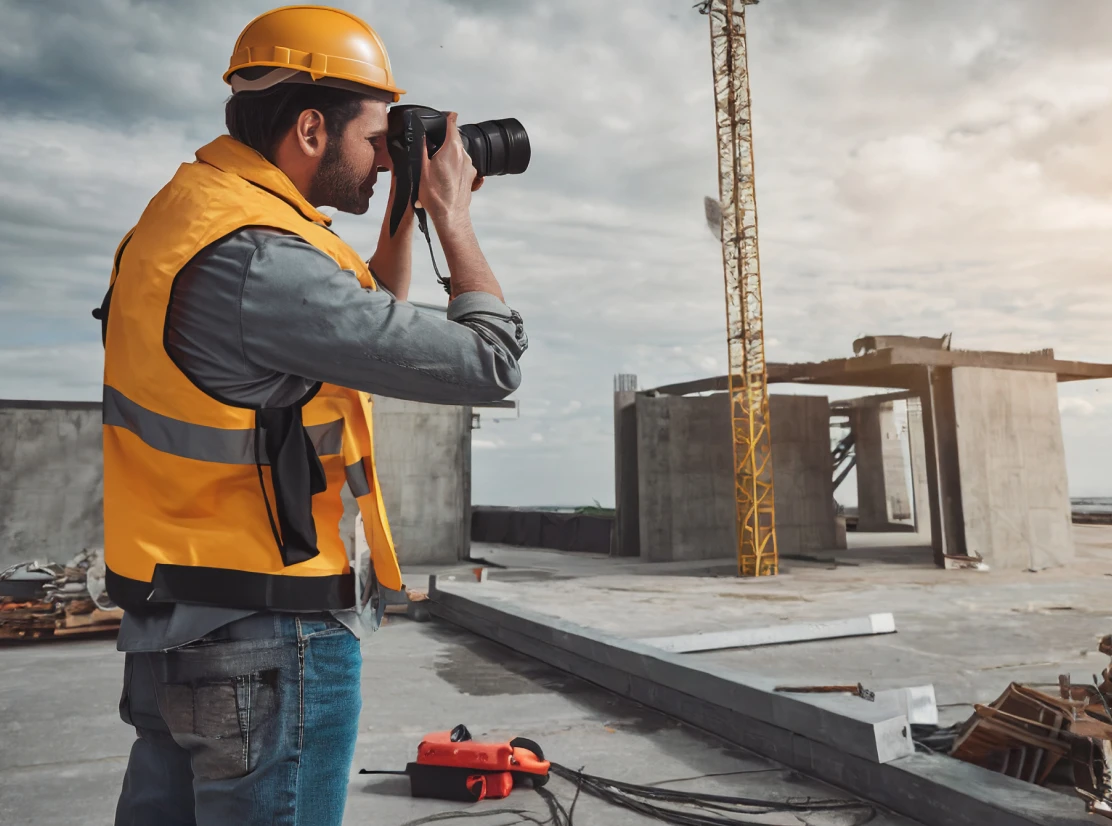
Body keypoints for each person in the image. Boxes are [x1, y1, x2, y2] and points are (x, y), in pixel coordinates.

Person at [104, 6, 527, 825]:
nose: (382, 161)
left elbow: (363, 321)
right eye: (377, 140)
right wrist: (454, 216)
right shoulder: (265, 261)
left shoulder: (193, 217)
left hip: (178, 630)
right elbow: (491, 363)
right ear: (309, 129)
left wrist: (402, 203)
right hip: (266, 639)